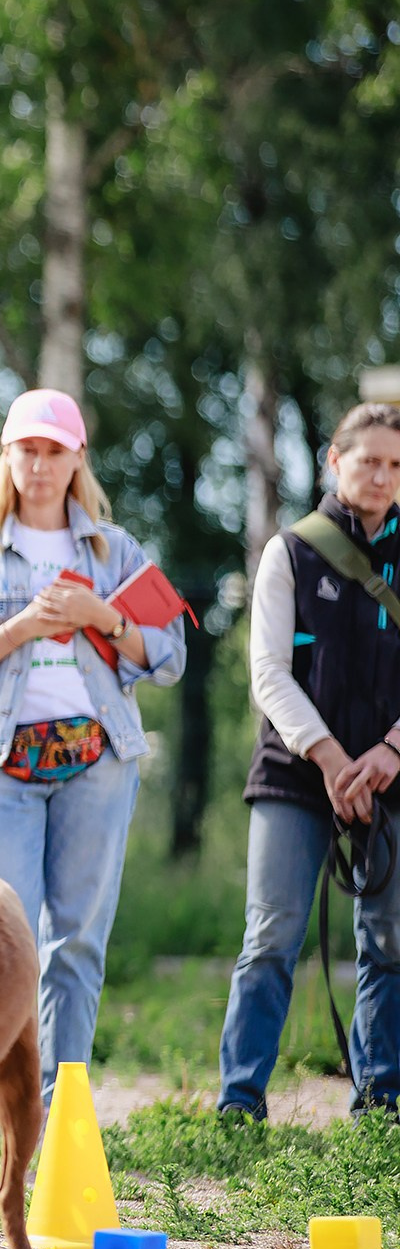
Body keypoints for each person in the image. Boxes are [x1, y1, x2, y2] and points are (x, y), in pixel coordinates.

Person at [0, 387, 186, 1102]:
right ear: (6, 457)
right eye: (26, 451)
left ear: (77, 459)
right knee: (0, 942)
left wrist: (103, 616)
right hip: (1, 767)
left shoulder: (115, 551)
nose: (39, 465)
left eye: (53, 452)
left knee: (77, 940)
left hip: (98, 764)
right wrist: (19, 629)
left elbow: (169, 656)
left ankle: (62, 1104)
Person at [219, 402, 400, 1121]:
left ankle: (380, 1103)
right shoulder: (291, 551)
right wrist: (329, 759)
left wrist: (389, 751)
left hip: (392, 774)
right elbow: (268, 673)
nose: (382, 476)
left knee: (389, 942)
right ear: (334, 459)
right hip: (296, 774)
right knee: (271, 937)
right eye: (370, 460)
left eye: (396, 464)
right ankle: (239, 1105)